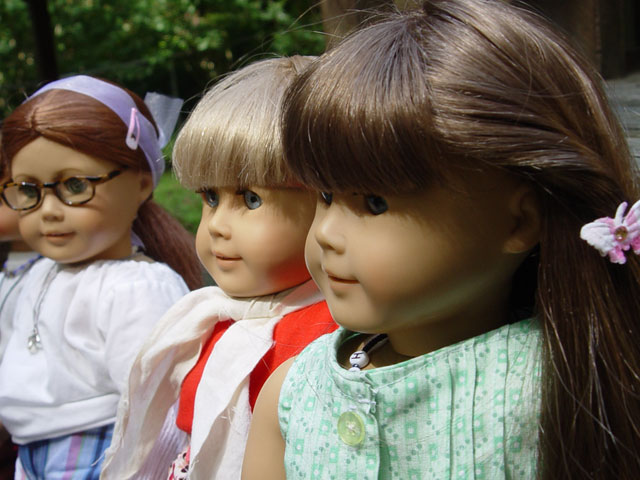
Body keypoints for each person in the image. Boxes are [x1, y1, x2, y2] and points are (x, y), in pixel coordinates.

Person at [242, 1, 640, 479]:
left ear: (518, 222)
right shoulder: (295, 393)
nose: (325, 233)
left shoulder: (567, 386)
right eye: (325, 196)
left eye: (375, 203)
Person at [100, 57, 337, 480]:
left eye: (250, 199)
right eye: (210, 198)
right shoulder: (207, 315)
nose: (217, 226)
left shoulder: (326, 336)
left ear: (328, 200)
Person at [0, 75, 202, 479]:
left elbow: (156, 408)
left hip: (99, 451)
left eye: (75, 185)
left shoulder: (136, 287)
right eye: (28, 190)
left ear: (141, 183)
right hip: (31, 450)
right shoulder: (37, 273)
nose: (49, 210)